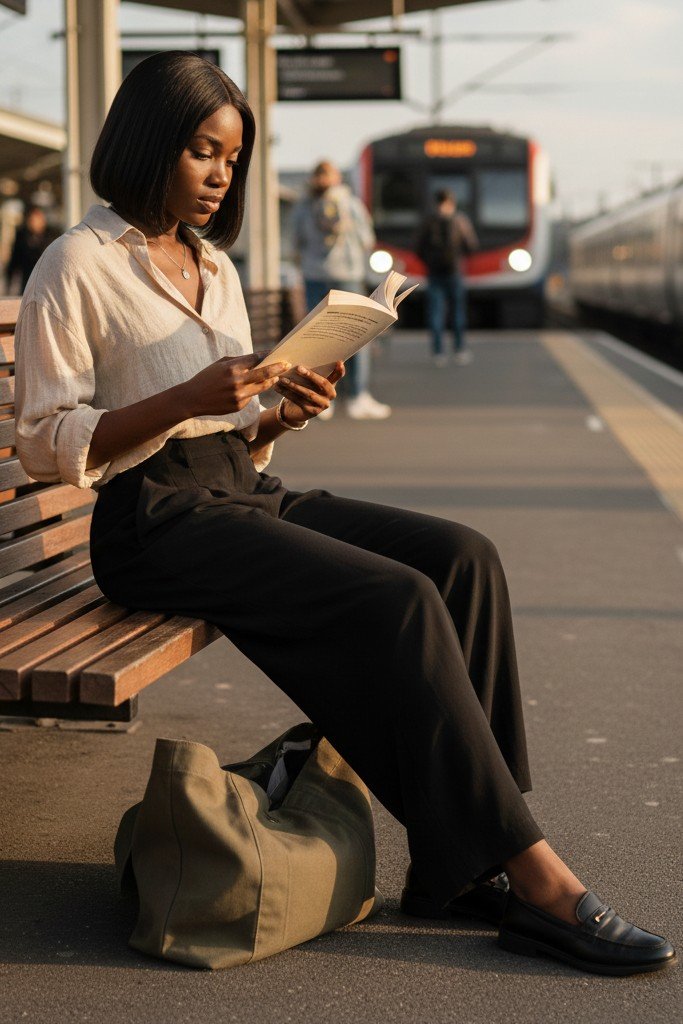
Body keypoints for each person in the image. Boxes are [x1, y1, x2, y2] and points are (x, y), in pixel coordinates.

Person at [13, 52, 675, 978]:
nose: (218, 175)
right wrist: (185, 398)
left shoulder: (212, 264)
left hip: (234, 486)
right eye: (202, 151)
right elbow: (44, 441)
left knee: (461, 557)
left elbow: (234, 420)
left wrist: (279, 411)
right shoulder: (75, 263)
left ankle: (462, 862)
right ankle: (530, 876)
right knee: (398, 601)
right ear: (148, 142)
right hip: (150, 518)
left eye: (231, 159)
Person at [292, 160, 390, 421]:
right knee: (357, 336)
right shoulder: (350, 203)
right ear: (336, 178)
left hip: (314, 276)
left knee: (318, 338)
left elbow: (296, 240)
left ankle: (320, 398)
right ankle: (358, 396)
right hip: (348, 275)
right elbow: (367, 239)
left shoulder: (303, 205)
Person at [416, 189, 478, 367]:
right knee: (457, 312)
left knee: (436, 313)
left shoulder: (428, 222)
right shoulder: (459, 221)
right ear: (452, 202)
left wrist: (429, 262)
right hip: (454, 273)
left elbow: (418, 248)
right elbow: (471, 245)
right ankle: (459, 350)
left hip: (434, 274)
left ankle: (438, 352)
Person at [5, 204, 51, 294]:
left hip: (46, 282)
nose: (33, 222)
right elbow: (14, 259)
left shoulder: (50, 236)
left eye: (36, 219)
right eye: (31, 219)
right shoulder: (22, 236)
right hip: (27, 281)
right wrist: (9, 280)